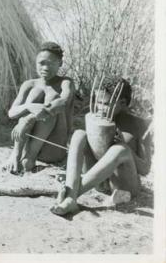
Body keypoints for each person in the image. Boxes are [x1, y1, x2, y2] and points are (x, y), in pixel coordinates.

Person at [50, 77, 152, 215]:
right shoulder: (95, 119)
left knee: (120, 150)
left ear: (122, 103)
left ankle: (70, 197)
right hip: (97, 183)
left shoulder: (139, 125)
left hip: (123, 185)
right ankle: (71, 191)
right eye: (98, 102)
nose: (99, 108)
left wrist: (125, 148)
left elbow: (145, 169)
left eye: (106, 104)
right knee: (79, 134)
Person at [3, 42, 75, 174]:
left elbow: (63, 102)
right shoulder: (29, 84)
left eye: (51, 63)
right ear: (35, 63)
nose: (46, 68)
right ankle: (17, 154)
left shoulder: (66, 82)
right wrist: (30, 107)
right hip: (26, 144)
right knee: (36, 93)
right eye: (42, 63)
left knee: (52, 98)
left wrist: (30, 117)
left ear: (60, 63)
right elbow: (11, 113)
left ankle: (29, 158)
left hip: (52, 150)